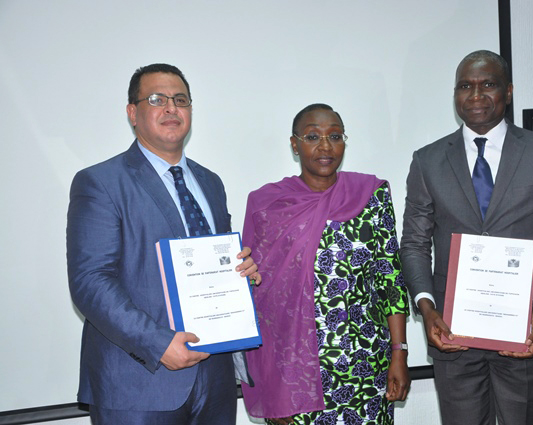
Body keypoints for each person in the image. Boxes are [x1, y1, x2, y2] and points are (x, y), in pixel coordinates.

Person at [400, 50, 533, 425]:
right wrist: (426, 307)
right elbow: (414, 244)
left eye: (488, 84)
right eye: (465, 86)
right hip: (452, 336)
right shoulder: (428, 160)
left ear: (509, 91)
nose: (475, 95)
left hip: (526, 337)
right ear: (454, 94)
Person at [66, 63, 260, 424]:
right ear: (133, 113)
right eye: (157, 99)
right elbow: (90, 282)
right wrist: (157, 343)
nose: (172, 108)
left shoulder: (210, 183)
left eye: (181, 99)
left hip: (215, 379)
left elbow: (216, 264)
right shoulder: (100, 182)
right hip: (138, 383)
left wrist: (242, 271)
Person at [240, 103, 410, 424]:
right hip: (296, 374)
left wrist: (399, 352)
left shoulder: (371, 195)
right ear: (294, 144)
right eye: (312, 136)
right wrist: (271, 388)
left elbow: (391, 278)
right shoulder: (269, 205)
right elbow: (260, 300)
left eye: (334, 136)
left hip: (365, 366)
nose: (325, 146)